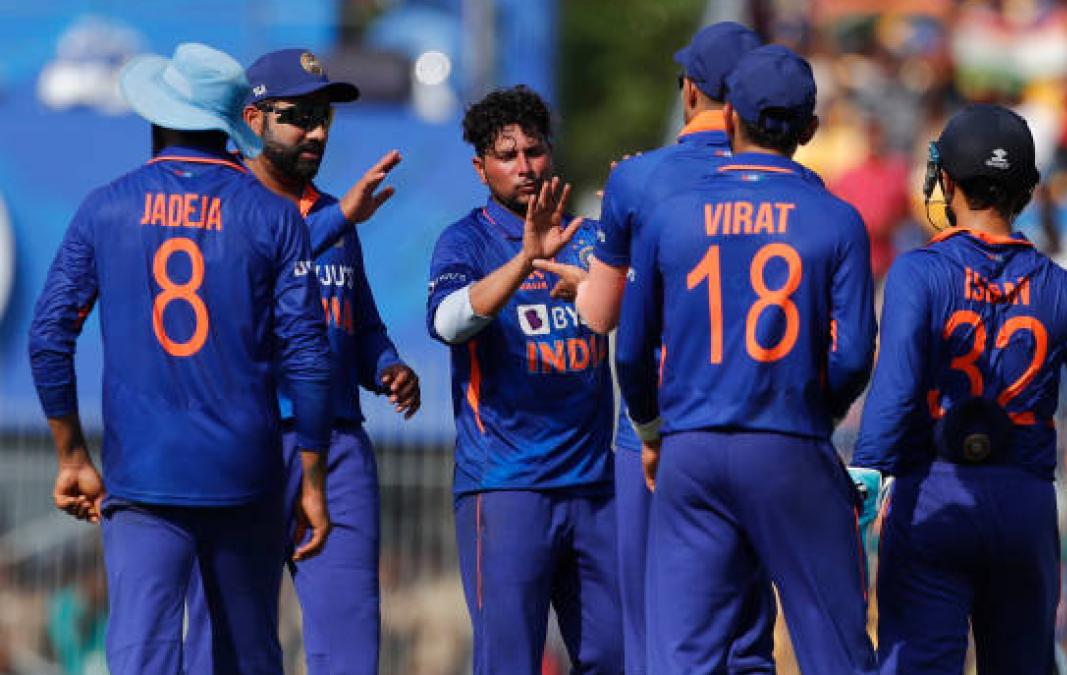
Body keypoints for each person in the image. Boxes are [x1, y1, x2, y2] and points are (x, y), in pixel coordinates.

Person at [850, 103, 1067, 674]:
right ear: (1029, 190)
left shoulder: (919, 273)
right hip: (1025, 507)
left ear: (946, 180)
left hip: (932, 499)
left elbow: (895, 387)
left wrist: (865, 479)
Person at [27, 43, 333, 674]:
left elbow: (48, 336)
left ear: (157, 114)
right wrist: (314, 477)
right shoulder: (275, 217)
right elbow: (308, 355)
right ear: (228, 124)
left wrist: (72, 456)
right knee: (248, 657)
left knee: (141, 657)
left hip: (143, 476)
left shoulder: (105, 206)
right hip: (244, 474)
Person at [617, 45, 878, 674]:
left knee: (684, 657)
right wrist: (818, 410)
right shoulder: (836, 219)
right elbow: (854, 357)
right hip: (789, 442)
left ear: (727, 115)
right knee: (835, 648)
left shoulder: (671, 213)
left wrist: (651, 432)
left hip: (690, 451)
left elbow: (630, 350)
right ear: (810, 130)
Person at [534, 21, 776, 675]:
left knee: (656, 632)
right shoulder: (789, 183)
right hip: (757, 425)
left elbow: (606, 314)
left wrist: (588, 285)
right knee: (747, 638)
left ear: (691, 91)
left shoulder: (641, 179)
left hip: (658, 430)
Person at [182, 48, 420, 675]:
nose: (316, 131)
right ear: (253, 117)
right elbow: (250, 276)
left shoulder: (336, 212)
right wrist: (342, 217)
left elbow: (360, 322)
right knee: (230, 643)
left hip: (336, 443)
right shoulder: (222, 199)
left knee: (349, 644)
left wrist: (387, 365)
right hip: (246, 441)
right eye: (298, 116)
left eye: (324, 117)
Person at [425, 85, 622, 673]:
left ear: (550, 154)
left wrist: (638, 222)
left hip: (593, 488)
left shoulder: (590, 240)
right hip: (507, 487)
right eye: (507, 156)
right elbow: (448, 322)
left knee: (616, 654)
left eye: (533, 152)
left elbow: (650, 312)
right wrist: (524, 261)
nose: (524, 167)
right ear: (480, 166)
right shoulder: (465, 241)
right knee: (509, 660)